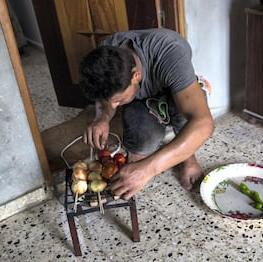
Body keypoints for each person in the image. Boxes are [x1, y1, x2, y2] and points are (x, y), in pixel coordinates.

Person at [80, 28, 215, 200]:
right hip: (140, 98)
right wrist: (102, 117)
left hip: (175, 92)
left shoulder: (170, 52)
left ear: (135, 75)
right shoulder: (105, 54)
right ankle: (139, 159)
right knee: (143, 139)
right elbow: (106, 99)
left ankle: (189, 159)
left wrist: (148, 169)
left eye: (118, 101)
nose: (113, 106)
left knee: (183, 115)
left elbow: (203, 123)